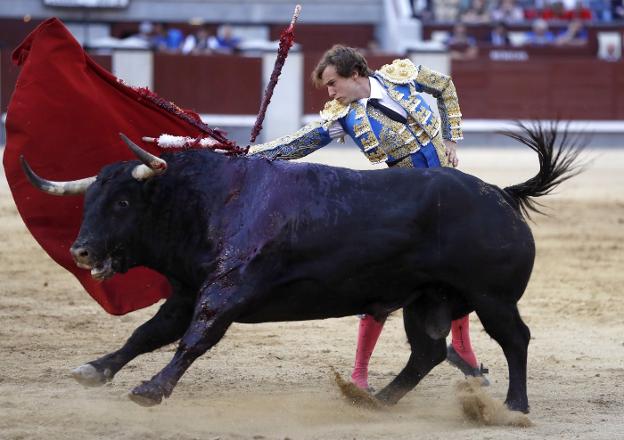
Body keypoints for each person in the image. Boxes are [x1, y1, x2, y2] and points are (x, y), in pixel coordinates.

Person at [249, 45, 489, 391]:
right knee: (384, 282)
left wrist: (451, 137)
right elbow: (300, 143)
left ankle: (462, 348)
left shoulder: (401, 77)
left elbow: (445, 86)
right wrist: (251, 155)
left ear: (356, 74)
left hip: (449, 195)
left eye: (333, 84)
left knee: (459, 269)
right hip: (405, 204)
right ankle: (359, 373)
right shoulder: (344, 116)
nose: (330, 93)